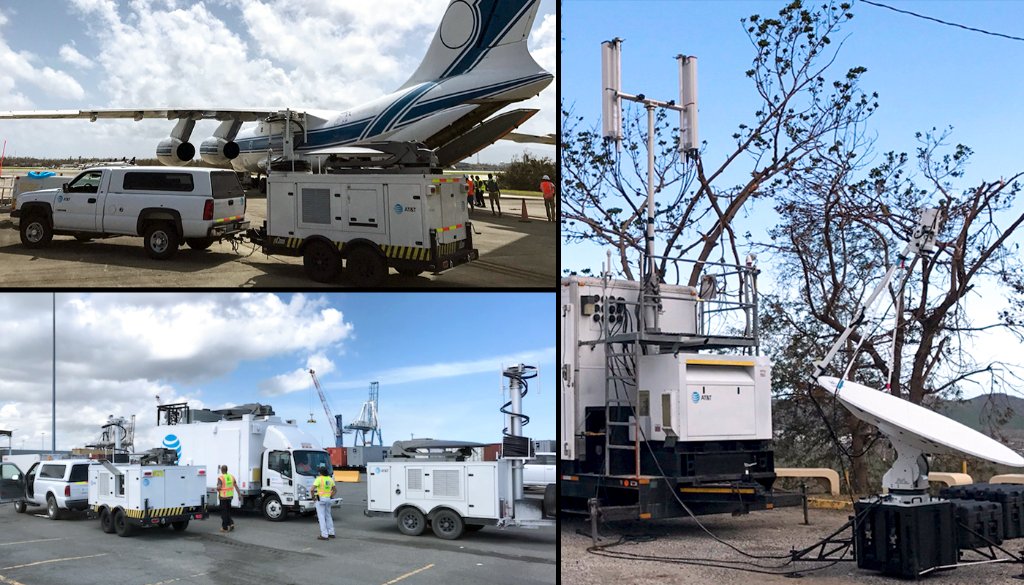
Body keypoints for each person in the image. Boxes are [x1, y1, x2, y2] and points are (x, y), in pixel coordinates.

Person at [313, 464, 337, 541]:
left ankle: (324, 535)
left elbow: (311, 489)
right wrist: (330, 496)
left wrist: (313, 497)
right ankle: (331, 533)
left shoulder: (319, 479)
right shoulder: (330, 479)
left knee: (321, 517)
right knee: (328, 516)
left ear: (320, 473)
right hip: (328, 499)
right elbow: (335, 490)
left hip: (320, 500)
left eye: (319, 472)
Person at [217, 464, 236, 533]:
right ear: (227, 470)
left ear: (222, 470)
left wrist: (218, 489)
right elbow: (236, 486)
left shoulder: (221, 478)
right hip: (230, 497)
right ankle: (231, 523)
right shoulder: (231, 477)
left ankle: (224, 528)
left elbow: (219, 487)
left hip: (223, 498)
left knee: (223, 513)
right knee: (228, 511)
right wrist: (239, 495)